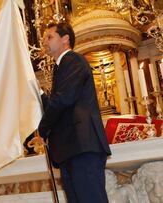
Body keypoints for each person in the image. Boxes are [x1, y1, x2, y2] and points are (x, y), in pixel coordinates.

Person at [38, 22, 112, 203]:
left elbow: (64, 99)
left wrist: (43, 128)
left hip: (82, 146)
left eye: (49, 37)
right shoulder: (61, 66)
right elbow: (62, 101)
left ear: (65, 39)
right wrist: (39, 94)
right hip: (71, 148)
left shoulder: (72, 60)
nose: (44, 43)